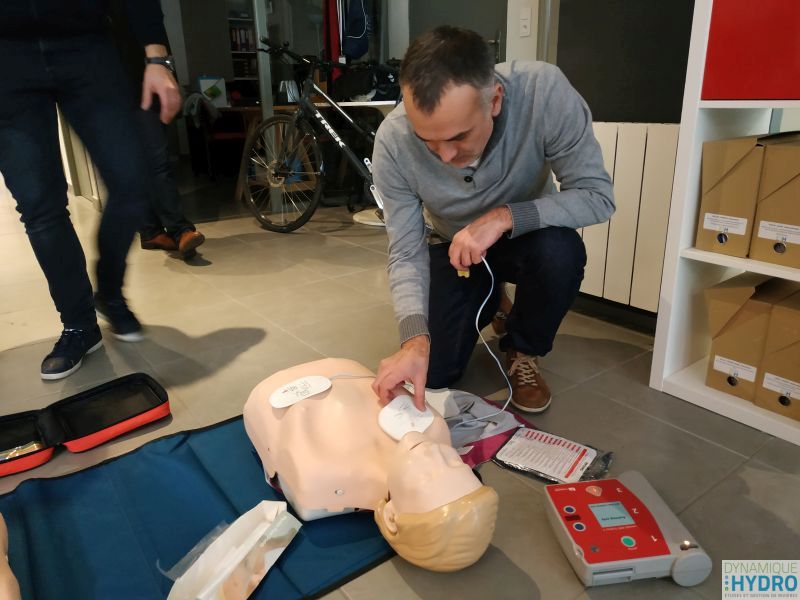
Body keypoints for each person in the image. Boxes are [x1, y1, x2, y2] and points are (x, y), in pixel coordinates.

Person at [370, 26, 615, 414]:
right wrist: (414, 340)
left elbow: (597, 197)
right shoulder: (392, 140)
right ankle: (493, 298)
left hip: (529, 238)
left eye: (460, 137)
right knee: (438, 372)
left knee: (561, 252)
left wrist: (504, 217)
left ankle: (523, 349)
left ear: (495, 100)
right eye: (427, 141)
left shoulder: (544, 92)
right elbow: (405, 250)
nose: (445, 157)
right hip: (452, 248)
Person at [0, 1, 181, 379]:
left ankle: (109, 292)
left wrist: (157, 58)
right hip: (6, 57)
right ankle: (79, 325)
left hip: (87, 46)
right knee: (40, 205)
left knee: (133, 181)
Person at [243, 358, 499, 572]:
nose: (433, 454)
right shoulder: (435, 432)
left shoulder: (322, 476)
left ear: (390, 516)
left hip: (274, 390)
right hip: (348, 366)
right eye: (455, 463)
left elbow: (296, 422)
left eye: (429, 476)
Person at [108, 1, 206, 260]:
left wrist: (159, 62)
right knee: (130, 164)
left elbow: (149, 14)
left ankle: (178, 228)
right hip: (103, 85)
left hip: (143, 80)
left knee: (156, 159)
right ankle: (151, 230)